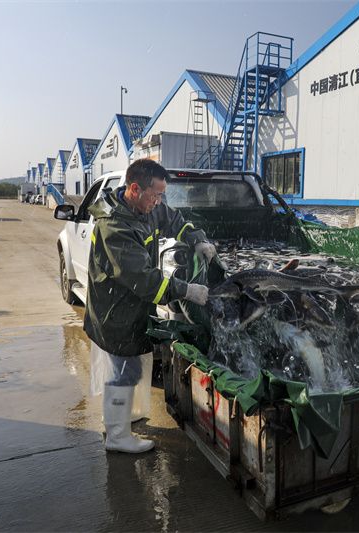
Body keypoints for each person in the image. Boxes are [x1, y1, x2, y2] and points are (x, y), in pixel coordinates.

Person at [85, 159, 215, 453]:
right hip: (115, 310)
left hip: (132, 306)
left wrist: (197, 239)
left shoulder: (146, 208)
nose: (158, 202)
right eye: (155, 195)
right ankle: (117, 435)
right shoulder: (115, 227)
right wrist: (188, 290)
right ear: (134, 188)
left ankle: (123, 417)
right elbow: (146, 281)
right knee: (125, 371)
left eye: (161, 195)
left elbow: (172, 219)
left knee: (131, 366)